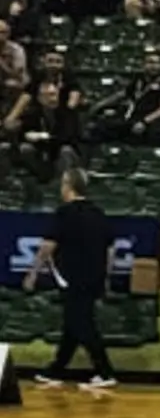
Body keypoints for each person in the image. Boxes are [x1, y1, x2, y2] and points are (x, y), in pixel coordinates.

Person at [24, 168, 115, 392]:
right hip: (94, 277)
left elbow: (47, 246)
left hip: (71, 277)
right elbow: (111, 249)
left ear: (68, 186)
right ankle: (56, 370)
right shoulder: (99, 213)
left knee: (82, 324)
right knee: (72, 324)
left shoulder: (64, 213)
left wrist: (33, 273)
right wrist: (106, 276)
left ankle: (105, 371)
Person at [103, 50, 160, 143]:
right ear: (144, 65)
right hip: (135, 116)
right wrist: (101, 104)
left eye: (156, 63)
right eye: (150, 62)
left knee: (156, 133)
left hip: (153, 120)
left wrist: (144, 122)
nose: (153, 66)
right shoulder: (138, 80)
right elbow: (123, 94)